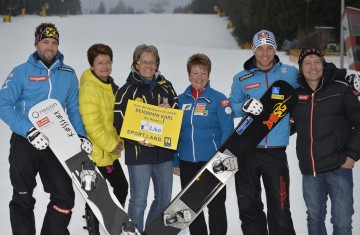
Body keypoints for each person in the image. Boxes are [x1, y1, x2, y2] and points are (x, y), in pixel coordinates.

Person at [0, 23, 92, 235]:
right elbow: (3, 104)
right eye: (45, 42)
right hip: (26, 141)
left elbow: (74, 110)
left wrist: (80, 136)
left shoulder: (68, 73)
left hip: (57, 143)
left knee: (65, 198)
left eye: (54, 42)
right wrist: (29, 131)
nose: (50, 47)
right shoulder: (21, 72)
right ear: (36, 43)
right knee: (22, 196)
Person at [228, 29, 298, 235]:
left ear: (275, 49)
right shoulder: (242, 78)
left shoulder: (290, 73)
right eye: (260, 48)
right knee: (249, 208)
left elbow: (315, 72)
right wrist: (244, 106)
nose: (265, 54)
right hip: (247, 151)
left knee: (280, 209)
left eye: (269, 48)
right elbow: (229, 107)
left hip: (275, 153)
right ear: (253, 50)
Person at [291, 47, 360, 235]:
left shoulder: (341, 90)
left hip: (339, 167)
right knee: (314, 219)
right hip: (310, 171)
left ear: (323, 64)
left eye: (316, 62)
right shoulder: (296, 97)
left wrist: (352, 156)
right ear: (301, 67)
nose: (312, 67)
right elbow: (288, 126)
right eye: (307, 62)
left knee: (343, 223)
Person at [113, 44, 178, 233]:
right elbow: (119, 121)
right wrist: (135, 139)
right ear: (136, 64)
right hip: (139, 153)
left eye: (152, 62)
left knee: (164, 201)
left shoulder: (166, 87)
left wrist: (171, 112)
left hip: (163, 154)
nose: (148, 66)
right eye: (144, 62)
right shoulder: (126, 90)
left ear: (157, 64)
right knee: (139, 201)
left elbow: (176, 115)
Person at [172, 53, 234, 235]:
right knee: (191, 208)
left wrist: (221, 160)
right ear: (188, 75)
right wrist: (175, 160)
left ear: (209, 75)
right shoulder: (180, 100)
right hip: (187, 162)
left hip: (213, 163)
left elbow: (228, 132)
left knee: (216, 206)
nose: (199, 77)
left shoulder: (219, 99)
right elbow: (173, 132)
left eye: (203, 73)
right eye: (195, 73)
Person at [79, 43, 128, 235]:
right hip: (96, 153)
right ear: (92, 65)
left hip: (108, 152)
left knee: (120, 188)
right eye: (99, 62)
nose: (105, 66)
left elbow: (116, 118)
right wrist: (112, 145)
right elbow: (92, 125)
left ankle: (111, 222)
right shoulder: (90, 88)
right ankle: (94, 230)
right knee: (98, 194)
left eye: (108, 62)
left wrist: (120, 140)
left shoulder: (109, 86)